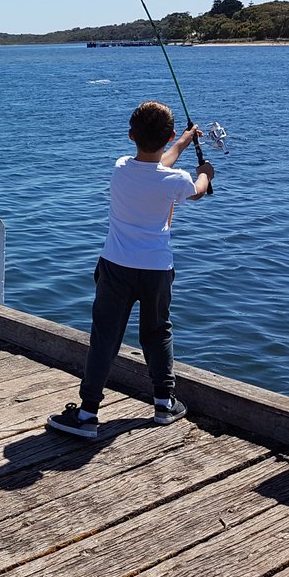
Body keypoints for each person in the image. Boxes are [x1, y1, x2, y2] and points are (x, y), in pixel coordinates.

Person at [47, 100, 215, 439]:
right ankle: (164, 404)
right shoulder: (177, 181)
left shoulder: (121, 166)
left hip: (115, 268)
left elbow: (153, 167)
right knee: (157, 333)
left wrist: (183, 140)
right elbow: (196, 191)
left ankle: (87, 413)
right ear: (166, 136)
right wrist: (205, 173)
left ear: (130, 135)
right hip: (156, 270)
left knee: (105, 337)